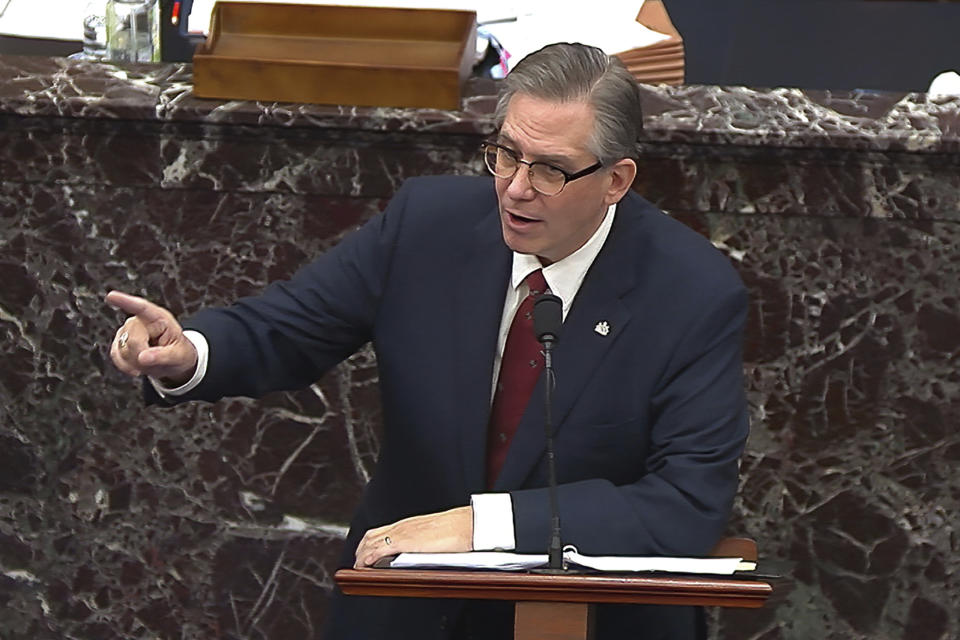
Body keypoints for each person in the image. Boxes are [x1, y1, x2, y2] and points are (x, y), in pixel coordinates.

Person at [107, 43, 749, 639]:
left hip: (591, 620)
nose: (517, 188)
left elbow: (685, 502)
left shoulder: (691, 291)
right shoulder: (427, 225)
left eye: (551, 170)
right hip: (406, 608)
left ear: (616, 180)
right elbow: (290, 324)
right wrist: (190, 351)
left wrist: (484, 527)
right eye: (506, 155)